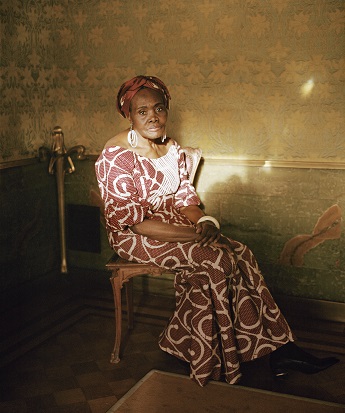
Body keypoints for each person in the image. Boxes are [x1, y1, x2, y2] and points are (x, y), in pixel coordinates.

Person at [95, 75, 339, 386]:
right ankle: (220, 359)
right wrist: (196, 236)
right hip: (136, 235)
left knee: (241, 252)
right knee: (216, 260)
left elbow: (184, 197)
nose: (153, 116)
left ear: (167, 109)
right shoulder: (115, 156)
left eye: (159, 108)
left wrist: (204, 222)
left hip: (175, 224)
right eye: (142, 111)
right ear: (128, 114)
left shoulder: (170, 148)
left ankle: (281, 351)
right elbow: (137, 223)